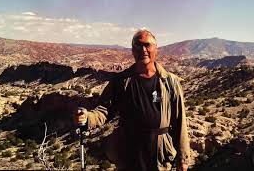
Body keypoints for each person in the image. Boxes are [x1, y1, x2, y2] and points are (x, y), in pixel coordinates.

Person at [75, 29, 190, 171]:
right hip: (131, 152)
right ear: (132, 50)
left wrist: (183, 158)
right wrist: (88, 118)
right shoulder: (121, 81)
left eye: (147, 45)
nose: (143, 50)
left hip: (161, 154)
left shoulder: (170, 82)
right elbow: (104, 110)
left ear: (156, 49)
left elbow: (180, 121)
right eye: (138, 45)